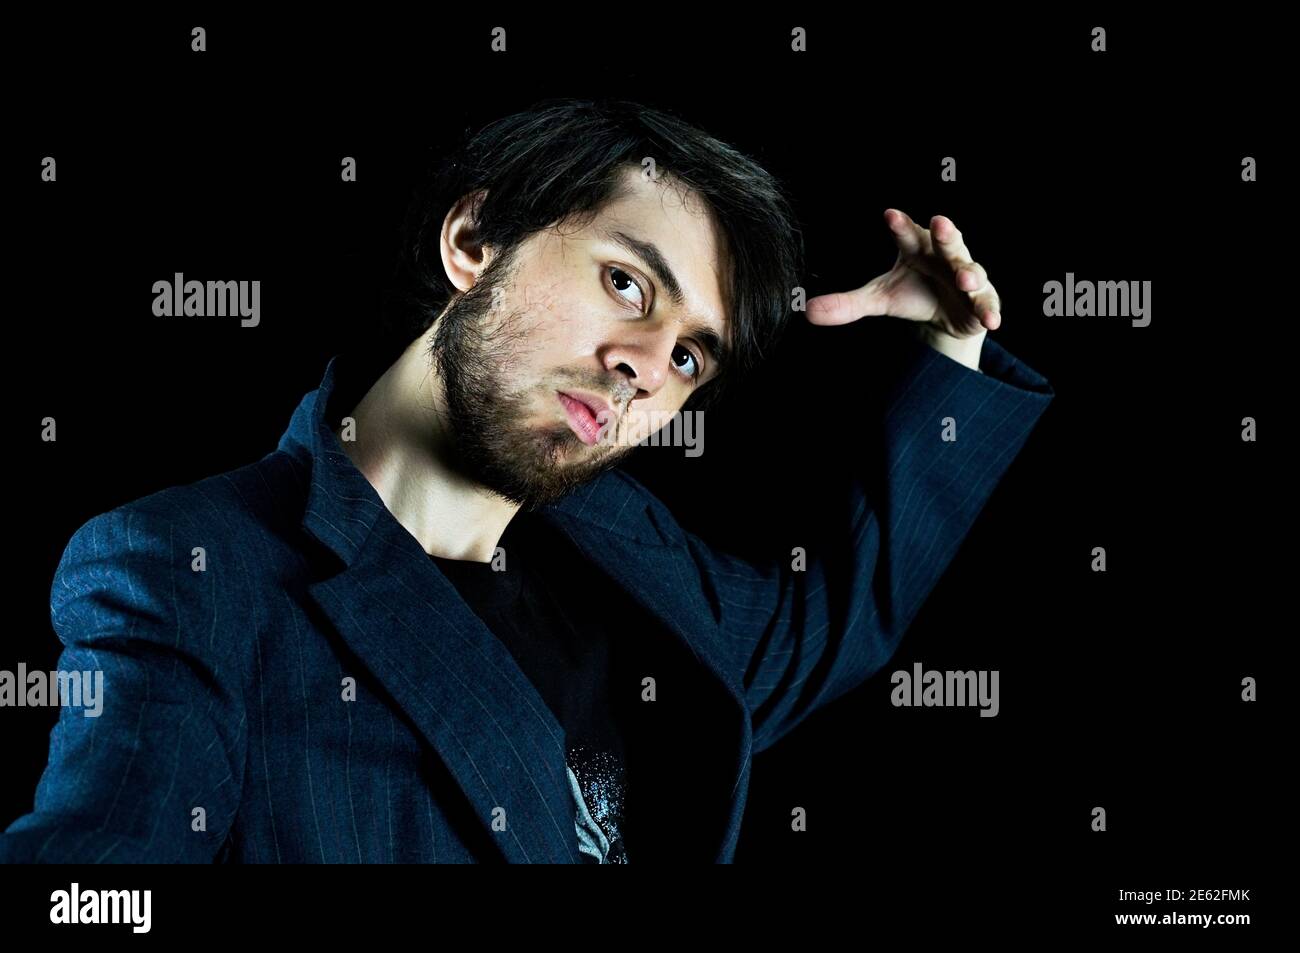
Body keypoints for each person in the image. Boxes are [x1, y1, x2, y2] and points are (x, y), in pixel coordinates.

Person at [1, 98, 1053, 864]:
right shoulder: (190, 567)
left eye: (691, 355)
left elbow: (821, 627)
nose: (647, 362)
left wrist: (950, 353)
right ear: (474, 240)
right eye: (626, 282)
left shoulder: (621, 537)